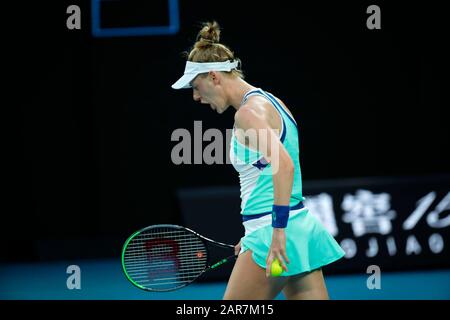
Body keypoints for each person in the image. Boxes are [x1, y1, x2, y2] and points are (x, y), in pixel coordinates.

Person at [172, 21, 345, 300]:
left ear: (214, 77)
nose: (195, 96)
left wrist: (274, 232)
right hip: (296, 227)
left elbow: (284, 165)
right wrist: (265, 231)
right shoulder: (273, 101)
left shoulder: (248, 114)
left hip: (272, 235)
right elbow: (270, 172)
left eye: (196, 86)